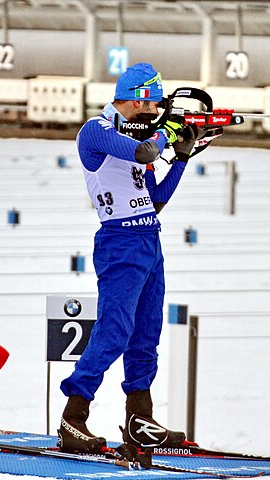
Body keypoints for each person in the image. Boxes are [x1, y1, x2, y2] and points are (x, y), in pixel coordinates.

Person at [58, 63, 197, 454]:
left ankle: (139, 417)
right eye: (152, 106)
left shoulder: (143, 134)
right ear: (136, 99)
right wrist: (165, 135)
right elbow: (141, 149)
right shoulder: (96, 130)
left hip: (148, 237)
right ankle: (74, 417)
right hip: (119, 241)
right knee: (114, 330)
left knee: (146, 334)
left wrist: (183, 156)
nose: (155, 113)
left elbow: (156, 200)